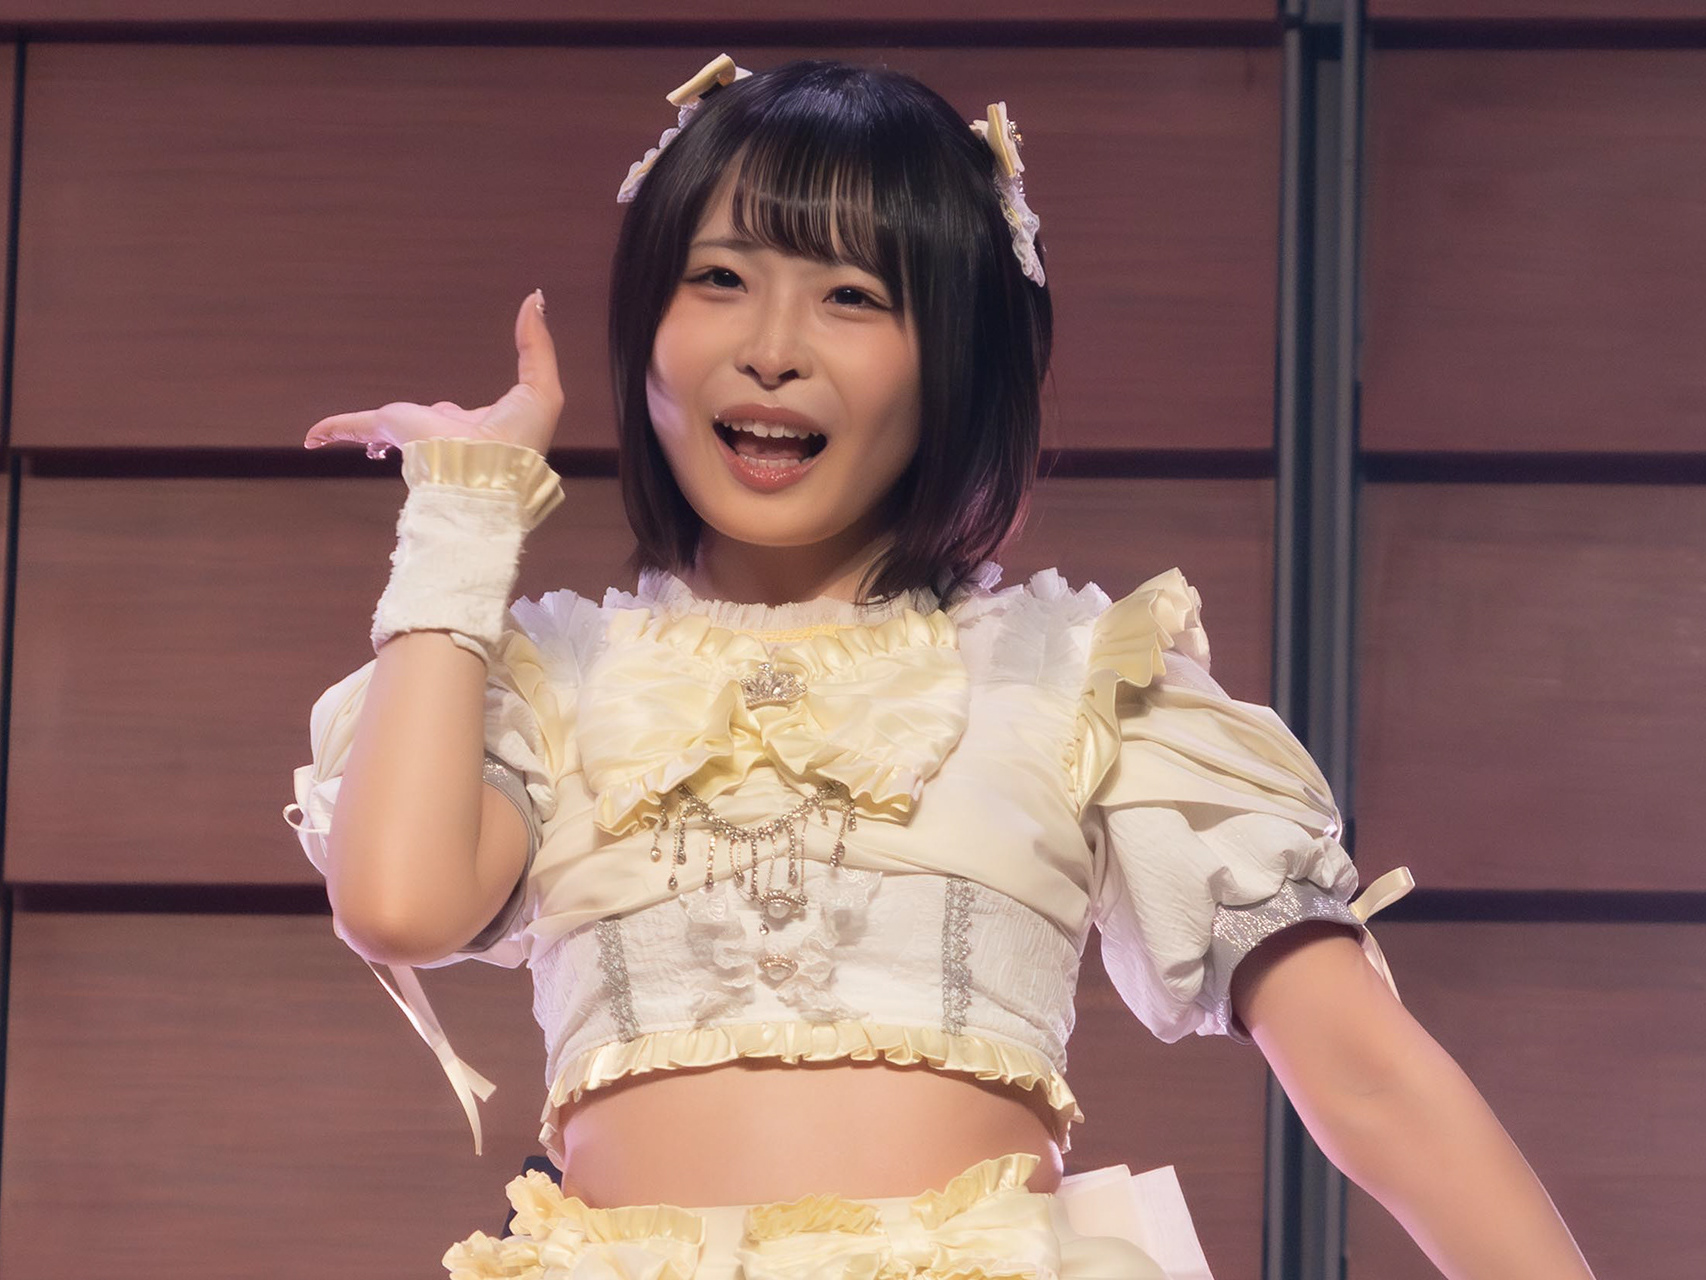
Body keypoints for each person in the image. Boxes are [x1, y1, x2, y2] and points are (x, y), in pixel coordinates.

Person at [284, 55, 1594, 1280]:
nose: (772, 346)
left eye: (852, 297)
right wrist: (463, 515)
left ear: (958, 357)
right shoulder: (555, 679)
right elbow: (399, 904)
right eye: (720, 278)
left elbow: (1366, 1078)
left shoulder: (1077, 673)